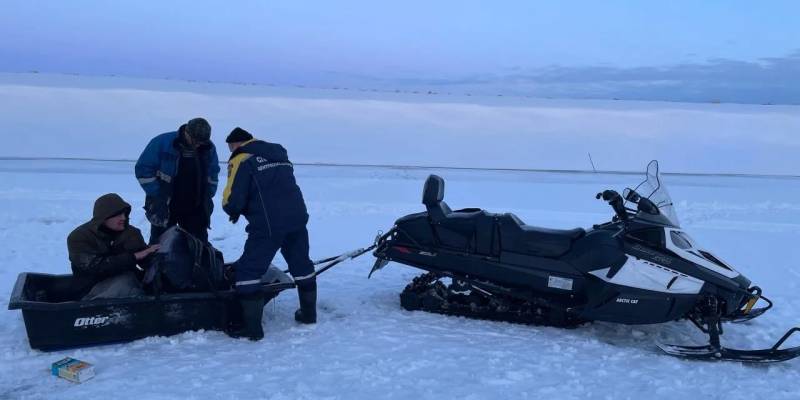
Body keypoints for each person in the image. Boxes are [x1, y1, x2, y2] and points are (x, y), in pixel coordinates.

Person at [222, 127, 317, 340]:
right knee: (302, 264)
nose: (230, 151)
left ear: (235, 144)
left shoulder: (241, 158)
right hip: (297, 217)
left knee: (249, 271)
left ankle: (252, 330)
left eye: (230, 147)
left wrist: (232, 209)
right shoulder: (278, 154)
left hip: (268, 223)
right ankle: (309, 315)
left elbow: (233, 196)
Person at [135, 117, 221, 244]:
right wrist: (158, 195)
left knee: (198, 243)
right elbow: (143, 169)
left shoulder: (208, 148)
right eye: (195, 141)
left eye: (201, 142)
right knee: (160, 243)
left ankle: (197, 257)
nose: (198, 145)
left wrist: (207, 196)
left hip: (195, 206)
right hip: (164, 205)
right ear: (187, 132)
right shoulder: (162, 142)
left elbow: (213, 173)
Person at [67, 193, 160, 299]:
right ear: (103, 217)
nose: (123, 218)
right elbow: (96, 267)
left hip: (128, 285)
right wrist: (134, 257)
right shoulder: (79, 237)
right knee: (125, 284)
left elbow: (145, 259)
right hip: (91, 291)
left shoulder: (131, 233)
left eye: (125, 214)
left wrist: (154, 255)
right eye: (117, 214)